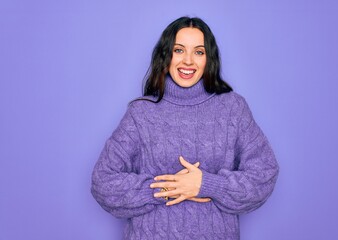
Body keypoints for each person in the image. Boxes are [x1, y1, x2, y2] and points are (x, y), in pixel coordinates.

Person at [91, 16, 279, 239]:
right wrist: (168, 188)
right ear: (166, 55)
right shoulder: (140, 113)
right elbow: (102, 181)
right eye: (179, 50)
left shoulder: (232, 108)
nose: (188, 61)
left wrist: (208, 185)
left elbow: (264, 174)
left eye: (198, 52)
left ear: (209, 59)